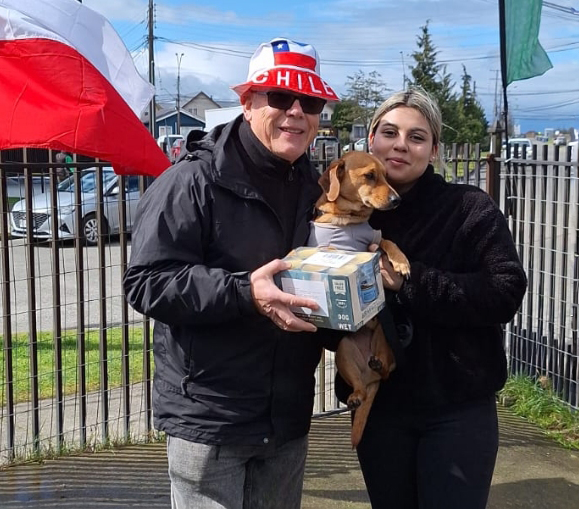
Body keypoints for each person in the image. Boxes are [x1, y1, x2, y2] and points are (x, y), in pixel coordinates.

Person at [123, 38, 341, 509]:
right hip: (211, 418)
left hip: (287, 417)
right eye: (280, 97)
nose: (296, 112)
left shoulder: (317, 187)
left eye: (310, 102)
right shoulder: (191, 181)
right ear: (247, 103)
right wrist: (245, 292)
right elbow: (147, 281)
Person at [337, 88, 527, 509]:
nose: (400, 144)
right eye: (389, 132)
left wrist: (411, 283)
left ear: (434, 150)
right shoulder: (347, 215)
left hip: (457, 408)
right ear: (371, 139)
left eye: (417, 137)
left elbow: (505, 291)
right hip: (381, 408)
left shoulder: (468, 208)